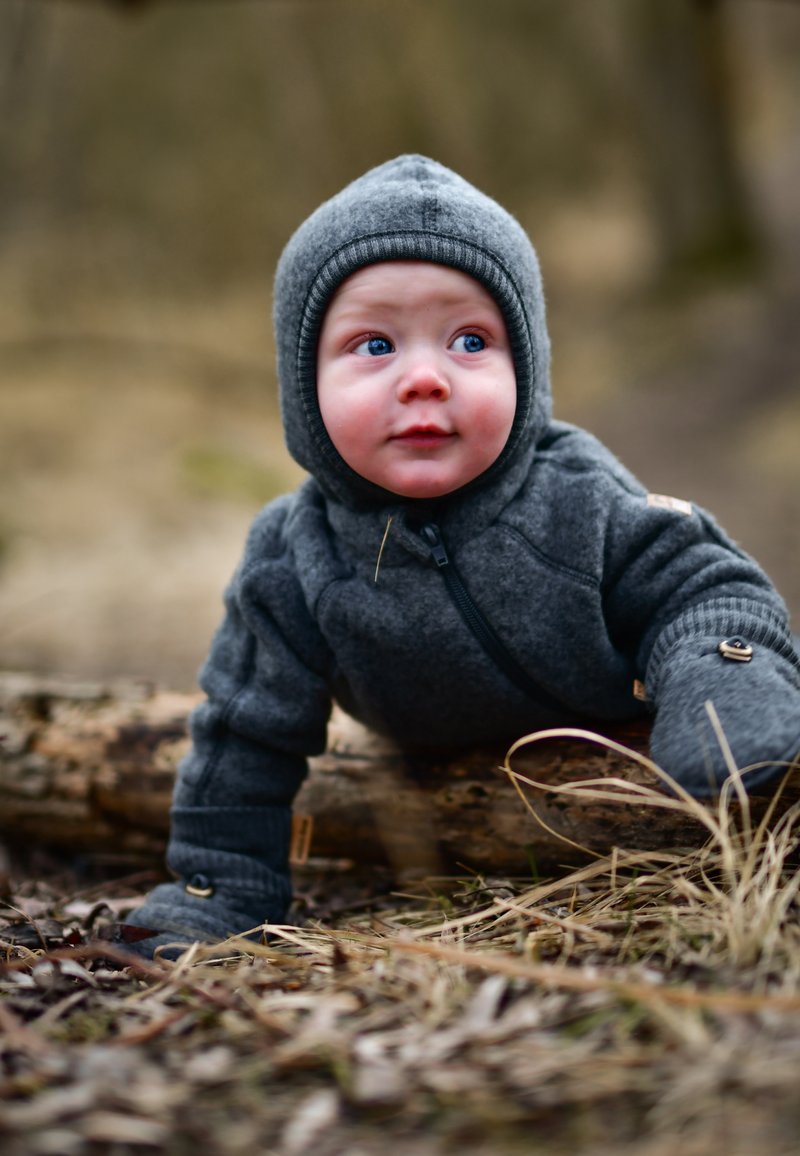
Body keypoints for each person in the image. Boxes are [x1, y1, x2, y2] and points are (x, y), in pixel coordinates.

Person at [127, 155, 800, 954]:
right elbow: (245, 732)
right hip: (431, 781)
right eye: (375, 344)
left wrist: (723, 678)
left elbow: (704, 586)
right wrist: (217, 884)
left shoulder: (579, 499)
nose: (424, 378)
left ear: (527, 367)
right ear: (303, 384)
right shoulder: (294, 555)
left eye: (470, 340)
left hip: (618, 746)